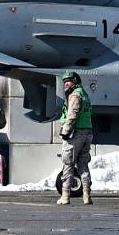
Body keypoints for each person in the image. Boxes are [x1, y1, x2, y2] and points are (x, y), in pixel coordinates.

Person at [51, 71, 93, 204]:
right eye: (64, 82)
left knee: (68, 164)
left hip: (75, 134)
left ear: (75, 81)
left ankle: (65, 196)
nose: (65, 84)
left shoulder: (75, 95)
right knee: (83, 165)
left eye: (68, 81)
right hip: (87, 132)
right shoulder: (85, 95)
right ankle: (86, 196)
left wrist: (66, 130)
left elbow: (73, 114)